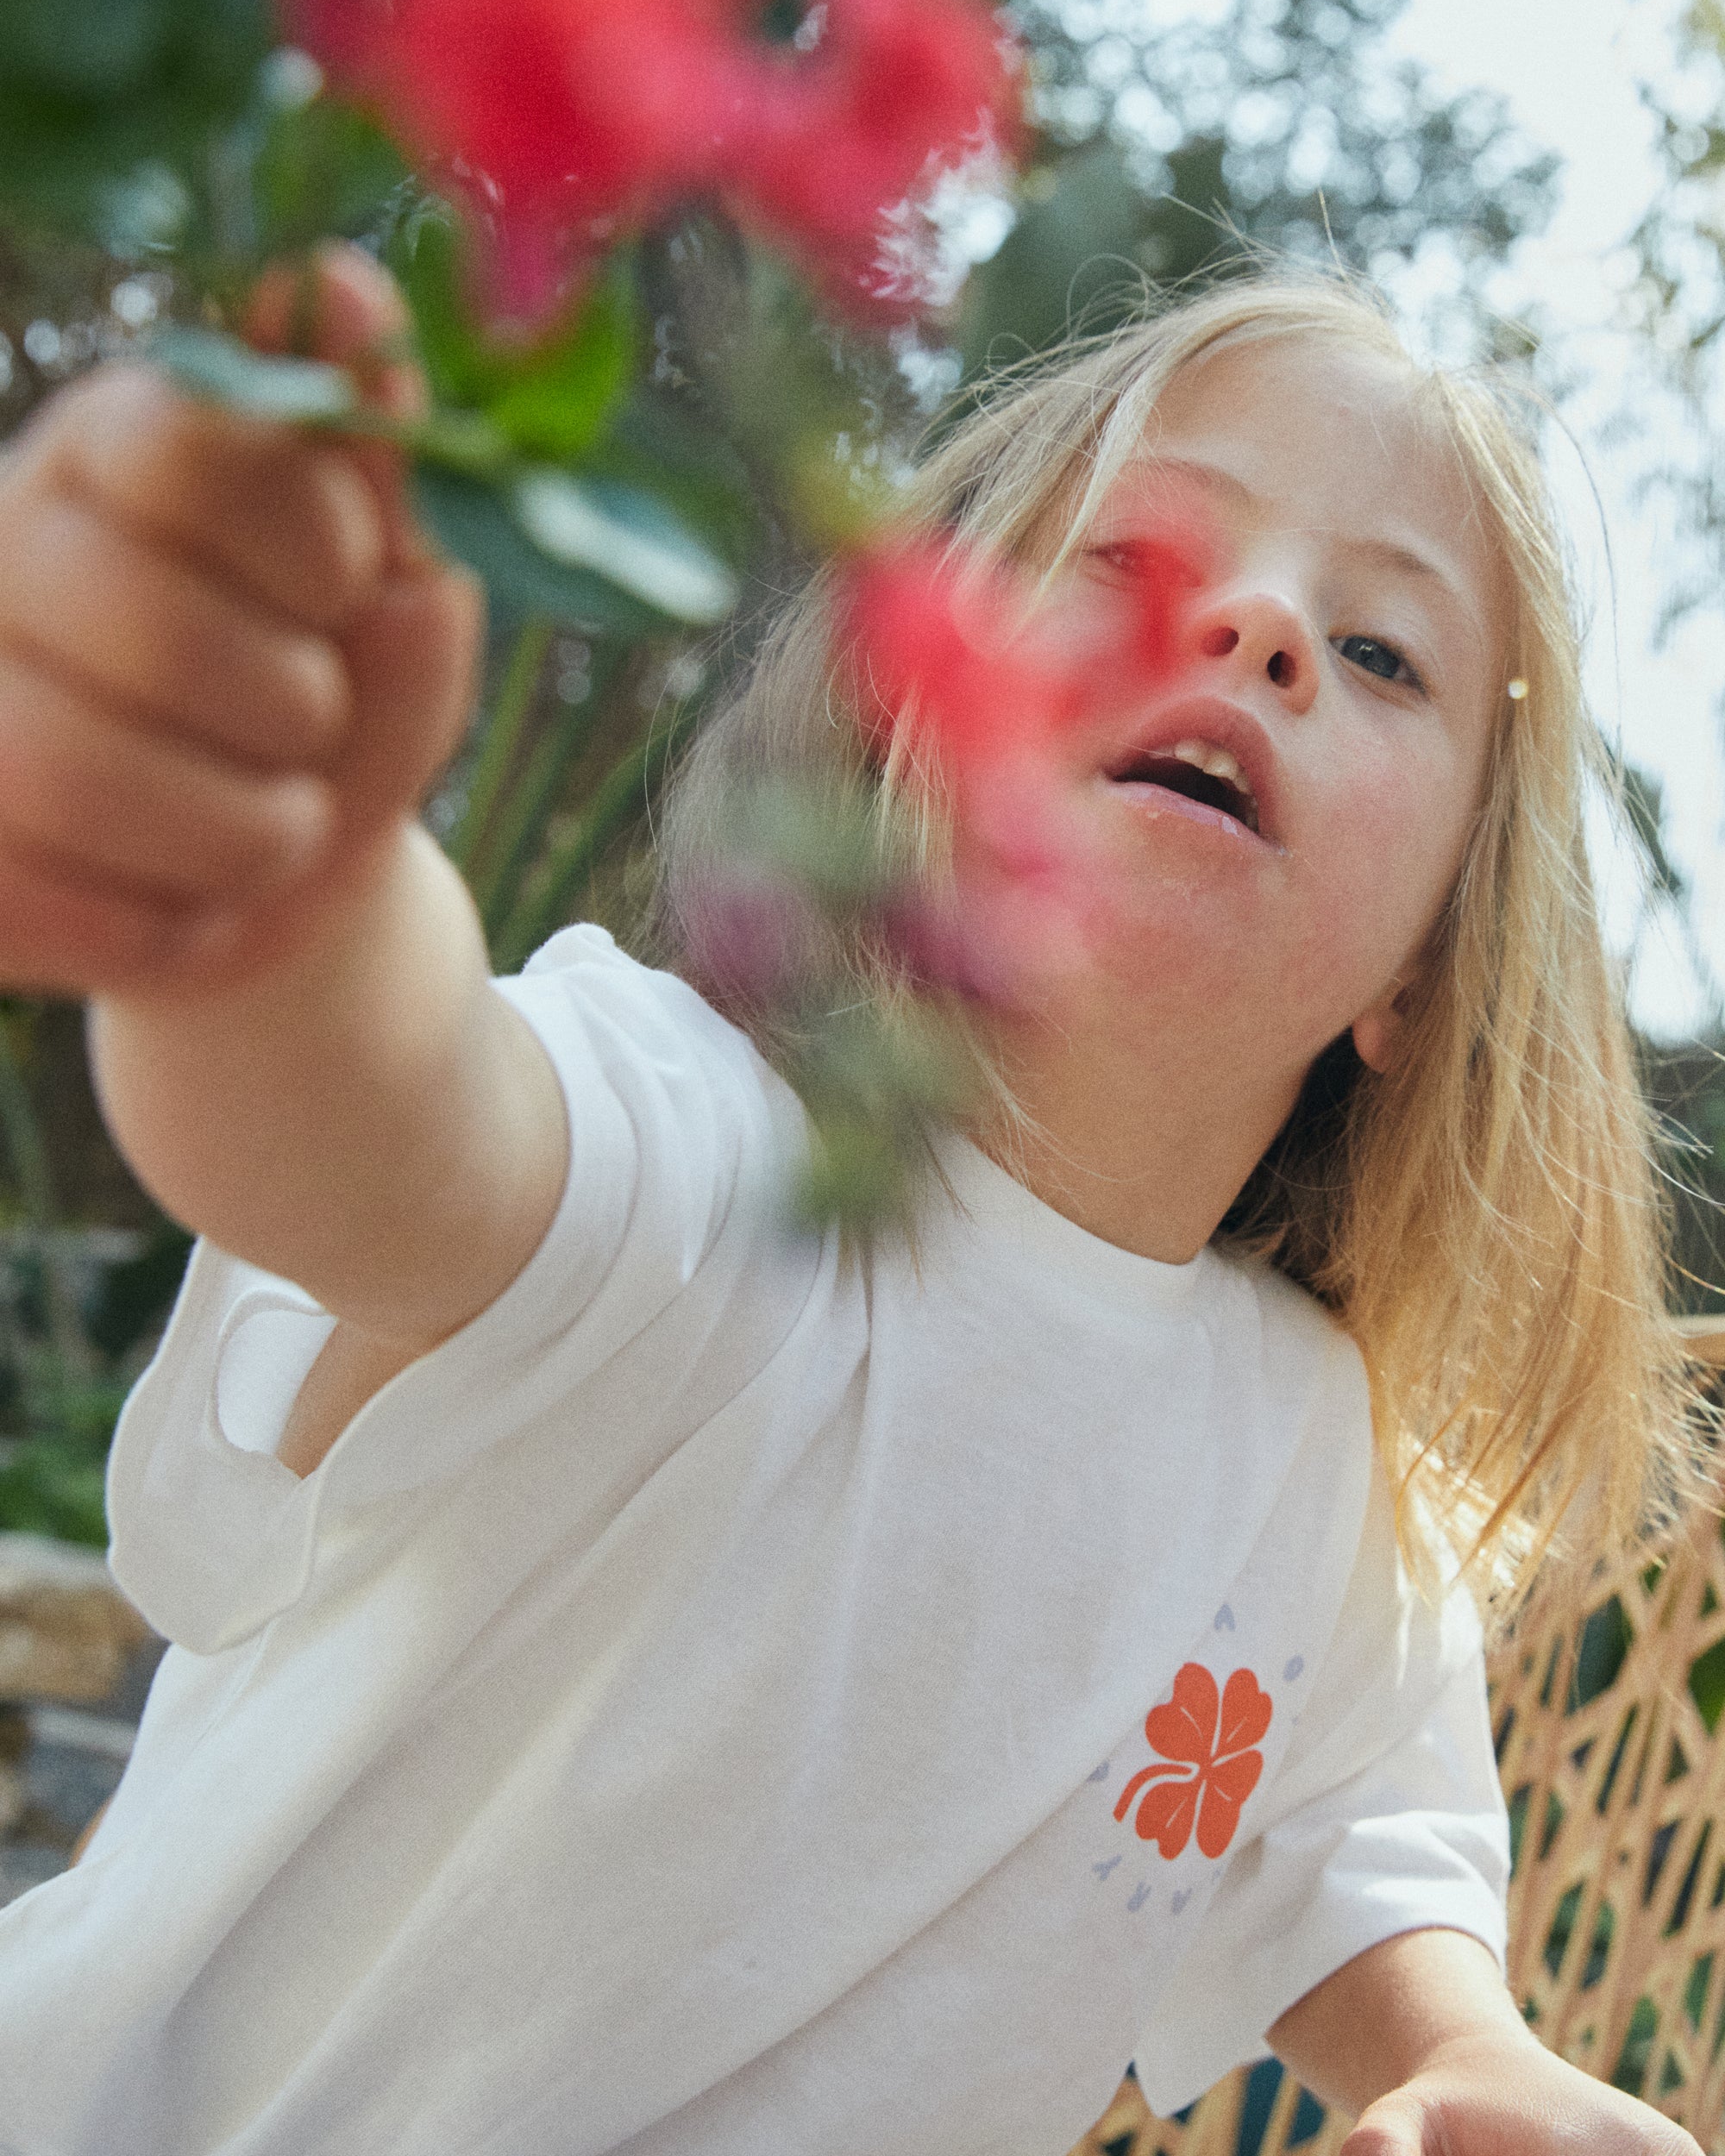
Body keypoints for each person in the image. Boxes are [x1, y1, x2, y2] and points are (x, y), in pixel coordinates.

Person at [0, 245, 1701, 2156]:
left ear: (1422, 970)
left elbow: (1359, 1854)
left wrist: (1455, 2053)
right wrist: (266, 882)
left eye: (1380, 650)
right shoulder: (700, 1157)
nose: (1254, 629)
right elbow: (378, 1132)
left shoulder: (1311, 1468)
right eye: (1130, 565)